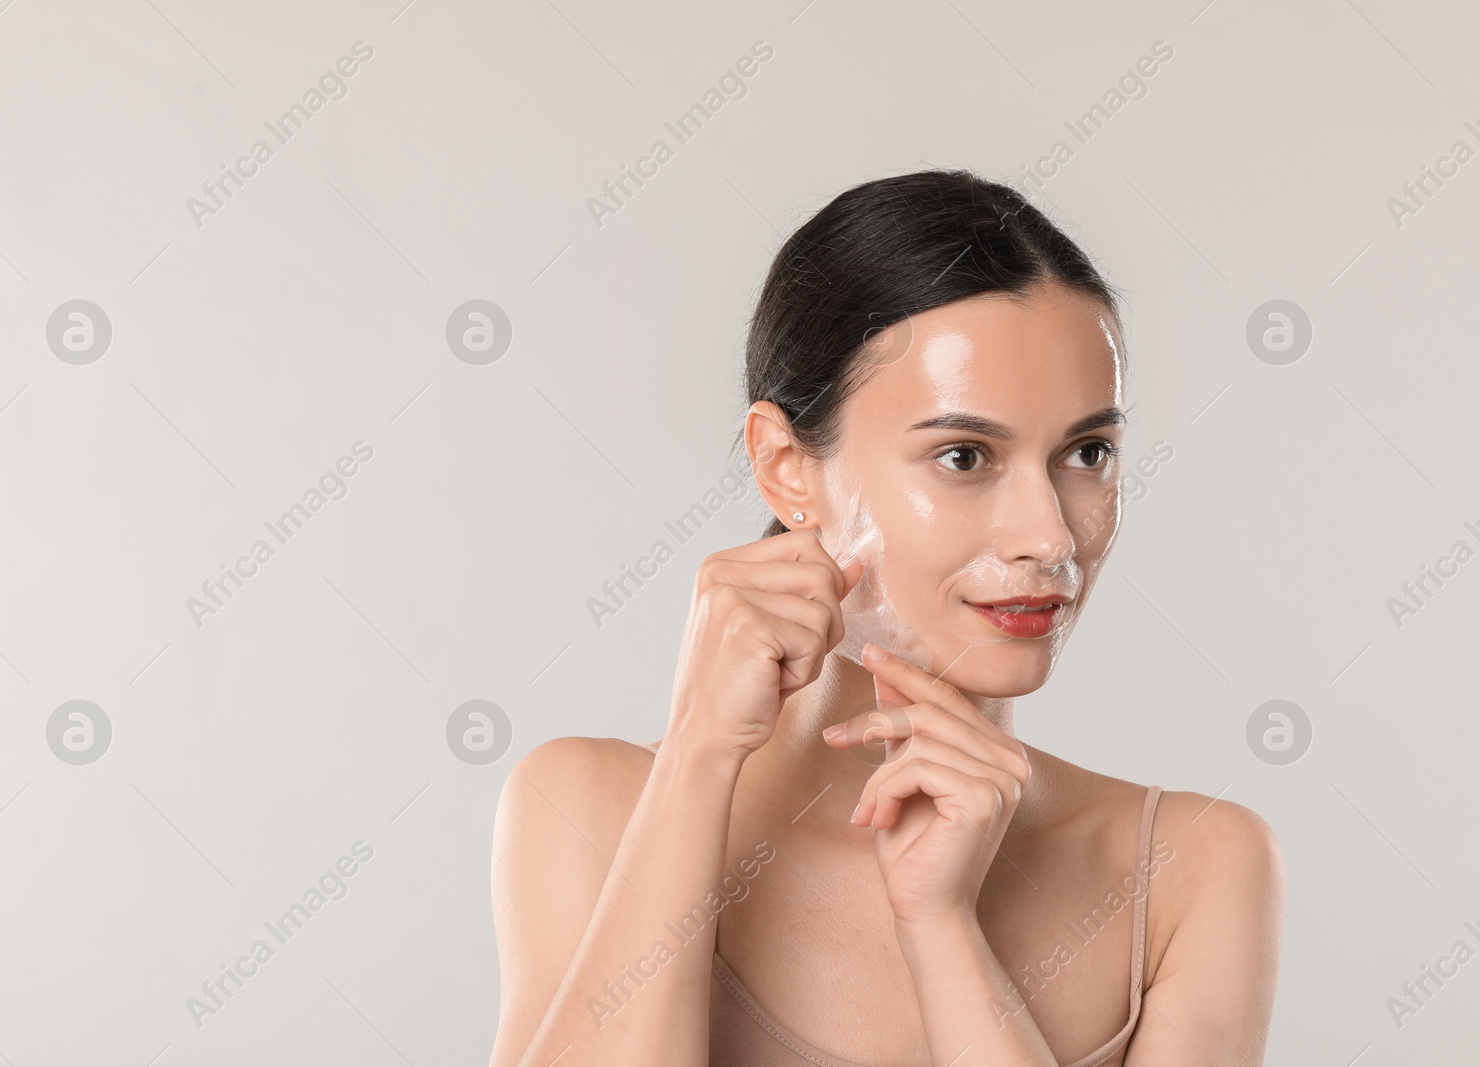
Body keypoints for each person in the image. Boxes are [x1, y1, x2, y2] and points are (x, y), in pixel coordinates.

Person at [488, 170, 1284, 1067]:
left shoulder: (1189, 870)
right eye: (963, 454)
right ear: (788, 467)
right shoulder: (586, 807)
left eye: (1087, 451)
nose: (1049, 533)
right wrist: (700, 753)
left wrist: (942, 930)